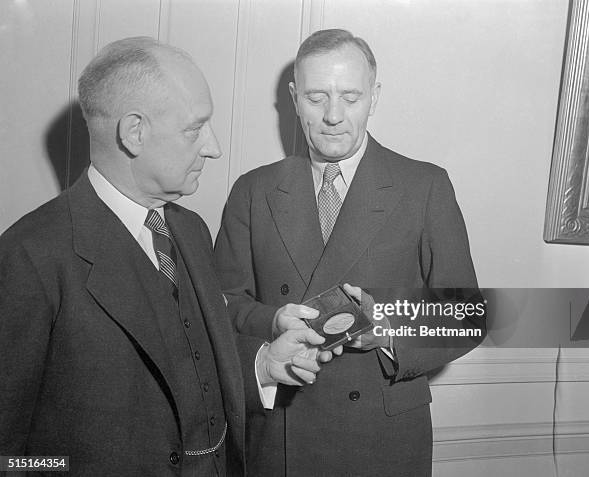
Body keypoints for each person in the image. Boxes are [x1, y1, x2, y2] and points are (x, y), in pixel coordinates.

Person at [0, 36, 332, 476]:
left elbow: (193, 366)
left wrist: (263, 367)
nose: (213, 146)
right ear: (134, 132)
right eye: (195, 128)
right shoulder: (30, 255)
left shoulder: (190, 229)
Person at [214, 29, 485, 476]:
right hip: (282, 431)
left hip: (382, 439)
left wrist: (389, 326)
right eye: (316, 97)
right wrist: (275, 320)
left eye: (351, 97)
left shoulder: (425, 186)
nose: (333, 116)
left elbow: (466, 314)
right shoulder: (253, 190)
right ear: (294, 97)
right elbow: (222, 305)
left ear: (374, 97)